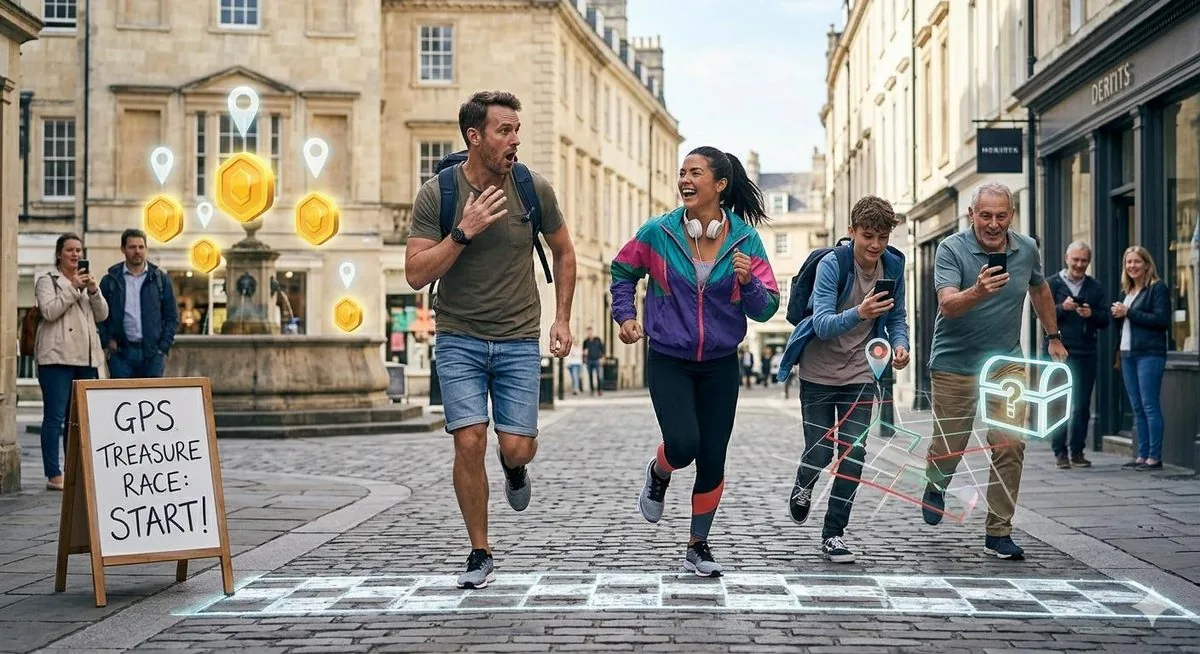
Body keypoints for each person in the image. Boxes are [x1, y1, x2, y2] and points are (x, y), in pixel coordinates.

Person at [404, 91, 577, 589]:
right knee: (468, 440)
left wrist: (561, 319)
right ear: (474, 137)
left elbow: (565, 253)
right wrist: (463, 232)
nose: (515, 139)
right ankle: (480, 551)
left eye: (516, 129)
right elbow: (415, 273)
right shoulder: (438, 194)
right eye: (504, 130)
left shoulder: (531, 188)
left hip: (519, 337)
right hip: (459, 335)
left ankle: (514, 467)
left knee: (518, 447)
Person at [612, 146, 779, 576]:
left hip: (721, 362)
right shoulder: (659, 233)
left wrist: (748, 282)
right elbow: (623, 271)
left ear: (719, 185)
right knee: (684, 444)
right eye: (682, 172)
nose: (685, 179)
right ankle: (659, 471)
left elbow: (766, 307)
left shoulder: (746, 240)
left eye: (695, 172)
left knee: (713, 456)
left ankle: (697, 545)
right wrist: (626, 316)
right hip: (669, 357)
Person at [921, 182, 1067, 561]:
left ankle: (998, 532)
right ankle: (937, 482)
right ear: (972, 215)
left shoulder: (1026, 248)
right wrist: (979, 291)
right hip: (954, 363)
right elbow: (948, 305)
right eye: (985, 215)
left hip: (1005, 362)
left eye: (1001, 215)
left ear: (1011, 216)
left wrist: (1053, 336)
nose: (993, 223)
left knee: (1010, 443)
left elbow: (1040, 289)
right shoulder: (951, 249)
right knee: (951, 445)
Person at [778, 195, 910, 563]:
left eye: (882, 237)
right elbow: (820, 323)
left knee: (853, 455)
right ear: (851, 232)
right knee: (819, 452)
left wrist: (900, 345)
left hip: (860, 374)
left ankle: (834, 534)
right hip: (819, 372)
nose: (875, 245)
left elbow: (897, 316)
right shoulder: (832, 265)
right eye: (868, 236)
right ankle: (804, 483)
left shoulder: (893, 266)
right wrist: (860, 311)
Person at [34, 233, 109, 490]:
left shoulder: (85, 283)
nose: (75, 255)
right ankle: (54, 474)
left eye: (78, 250)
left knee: (79, 420)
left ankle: (75, 470)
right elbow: (49, 311)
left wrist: (93, 290)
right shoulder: (47, 281)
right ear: (59, 254)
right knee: (54, 417)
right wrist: (73, 287)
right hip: (56, 357)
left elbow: (102, 315)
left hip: (86, 359)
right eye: (70, 250)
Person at [1046, 240, 1110, 469]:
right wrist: (1063, 308)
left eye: (1084, 261)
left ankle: (1078, 451)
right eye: (1075, 260)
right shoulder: (1052, 283)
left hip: (1086, 352)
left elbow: (1105, 319)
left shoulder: (1094, 287)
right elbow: (1040, 316)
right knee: (1059, 404)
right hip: (1059, 353)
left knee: (1082, 405)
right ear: (1066, 258)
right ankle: (1060, 453)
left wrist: (1091, 313)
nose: (1079, 265)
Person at [1112, 246, 1170, 471]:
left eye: (1136, 262)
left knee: (1149, 405)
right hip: (1128, 353)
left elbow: (1161, 320)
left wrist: (1128, 313)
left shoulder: (1157, 288)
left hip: (1149, 354)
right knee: (1137, 406)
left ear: (1147, 264)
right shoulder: (1126, 292)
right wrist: (1118, 314)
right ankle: (1141, 455)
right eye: (1128, 262)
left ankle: (1154, 457)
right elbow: (1125, 325)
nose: (1132, 266)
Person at [99, 229, 179, 379]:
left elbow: (171, 317)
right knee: (123, 399)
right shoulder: (110, 280)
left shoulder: (160, 279)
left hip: (152, 354)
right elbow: (98, 315)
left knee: (151, 399)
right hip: (121, 354)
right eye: (132, 247)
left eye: (141, 247)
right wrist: (107, 341)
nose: (137, 251)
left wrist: (162, 348)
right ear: (123, 249)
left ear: (146, 249)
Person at [582, 327, 605, 395]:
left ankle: (599, 390)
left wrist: (603, 358)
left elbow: (602, 349)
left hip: (597, 360)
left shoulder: (597, 339)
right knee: (590, 376)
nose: (589, 333)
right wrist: (584, 358)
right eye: (588, 332)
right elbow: (583, 351)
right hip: (589, 360)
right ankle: (592, 390)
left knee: (598, 376)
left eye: (590, 331)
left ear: (592, 332)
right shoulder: (585, 341)